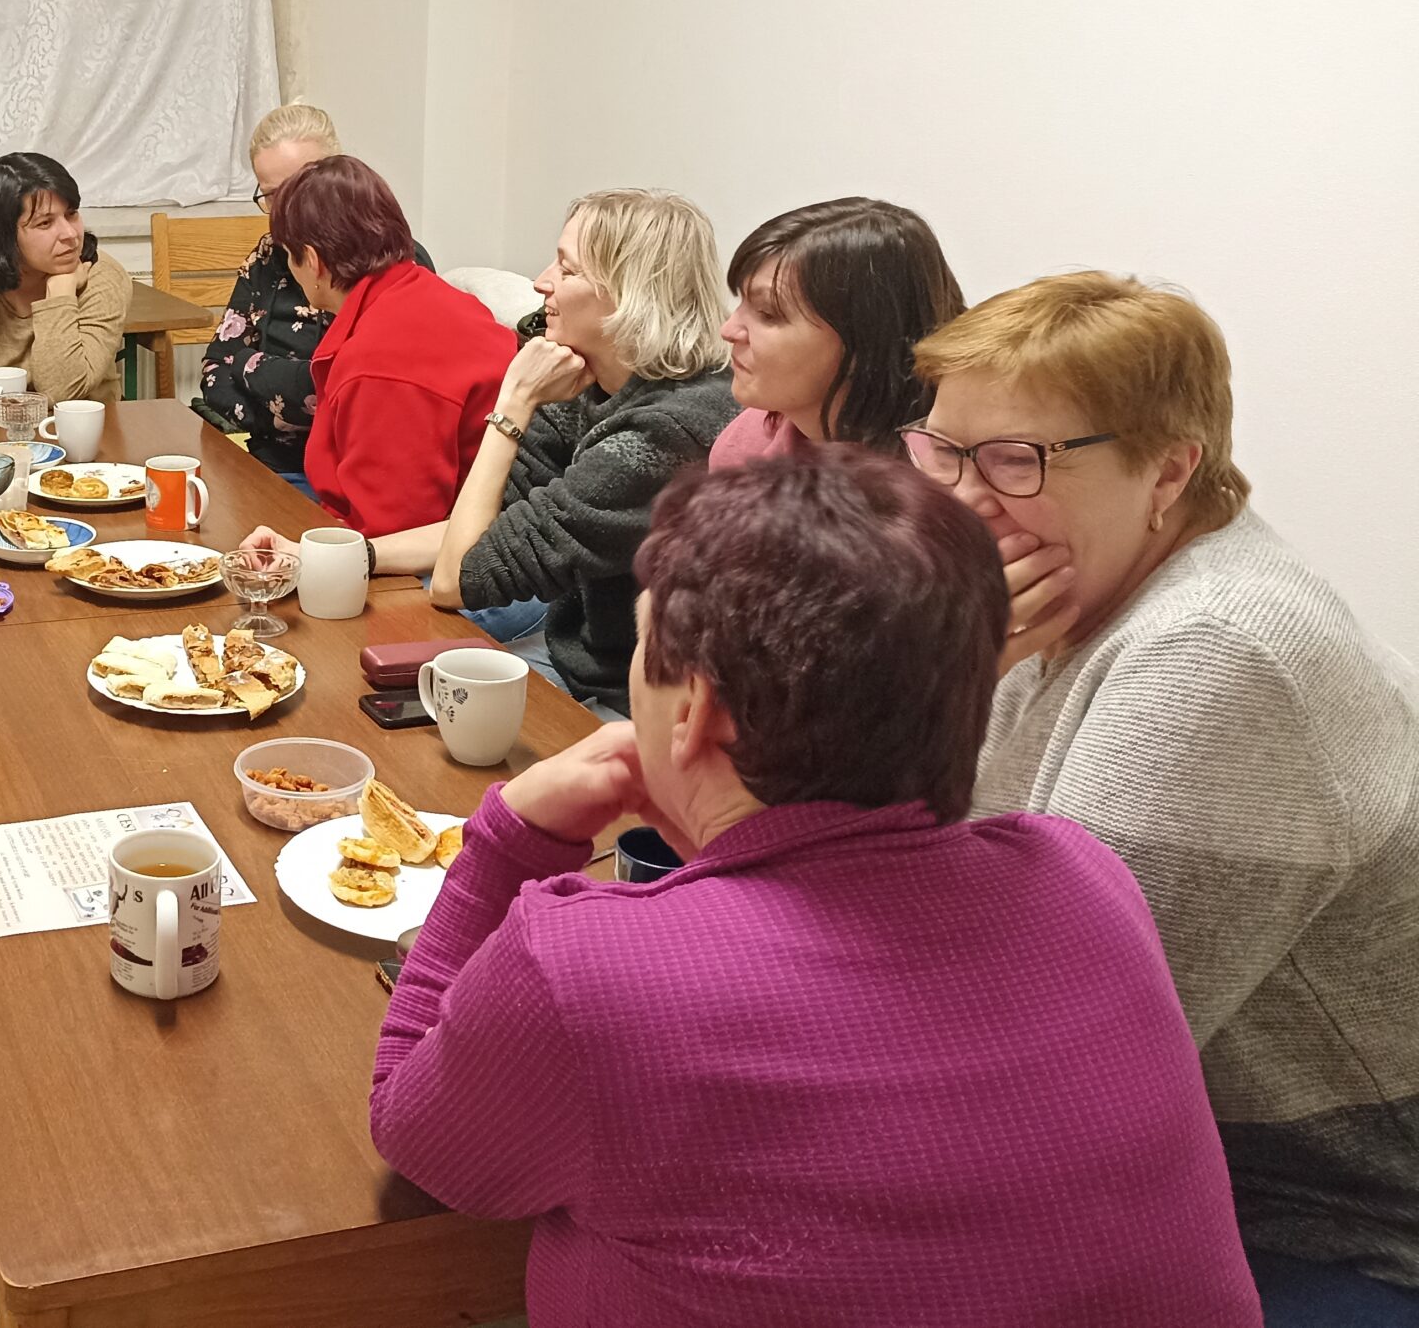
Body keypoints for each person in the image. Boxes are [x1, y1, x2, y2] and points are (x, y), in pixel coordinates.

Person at [371, 449, 1258, 1325]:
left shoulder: (586, 970)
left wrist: (507, 843)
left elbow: (420, 1142)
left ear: (697, 711)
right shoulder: (1086, 874)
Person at [909, 272, 1419, 1321]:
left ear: (1170, 468)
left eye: (1016, 459)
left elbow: (1040, 1060)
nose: (963, 497)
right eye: (943, 450)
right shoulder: (1068, 585)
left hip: (1325, 1219)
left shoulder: (1213, 652)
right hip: (1187, 1160)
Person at [248, 190, 735, 711]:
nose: (542, 281)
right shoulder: (586, 383)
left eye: (567, 269)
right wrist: (334, 558)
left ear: (630, 296)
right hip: (577, 656)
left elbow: (456, 580)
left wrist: (514, 404)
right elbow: (487, 526)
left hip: (638, 701)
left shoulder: (664, 435)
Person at [261, 155, 511, 535]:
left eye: (289, 257)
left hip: (439, 551)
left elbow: (389, 530)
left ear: (312, 261)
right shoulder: (433, 297)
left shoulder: (379, 360)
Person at [198, 104, 436, 489]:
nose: (286, 209)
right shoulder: (268, 256)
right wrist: (281, 415)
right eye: (272, 195)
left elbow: (364, 400)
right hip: (271, 466)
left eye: (300, 187)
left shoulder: (395, 262)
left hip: (361, 475)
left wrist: (249, 366)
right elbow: (214, 375)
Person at [713, 196, 964, 465]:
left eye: (767, 313)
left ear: (867, 341)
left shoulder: (949, 476)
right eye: (741, 301)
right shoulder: (745, 444)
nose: (728, 330)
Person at [0, 151, 131, 412]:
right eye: (45, 223)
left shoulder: (102, 275)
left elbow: (63, 394)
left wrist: (60, 295)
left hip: (85, 433)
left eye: (71, 214)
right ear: (3, 235)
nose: (70, 234)